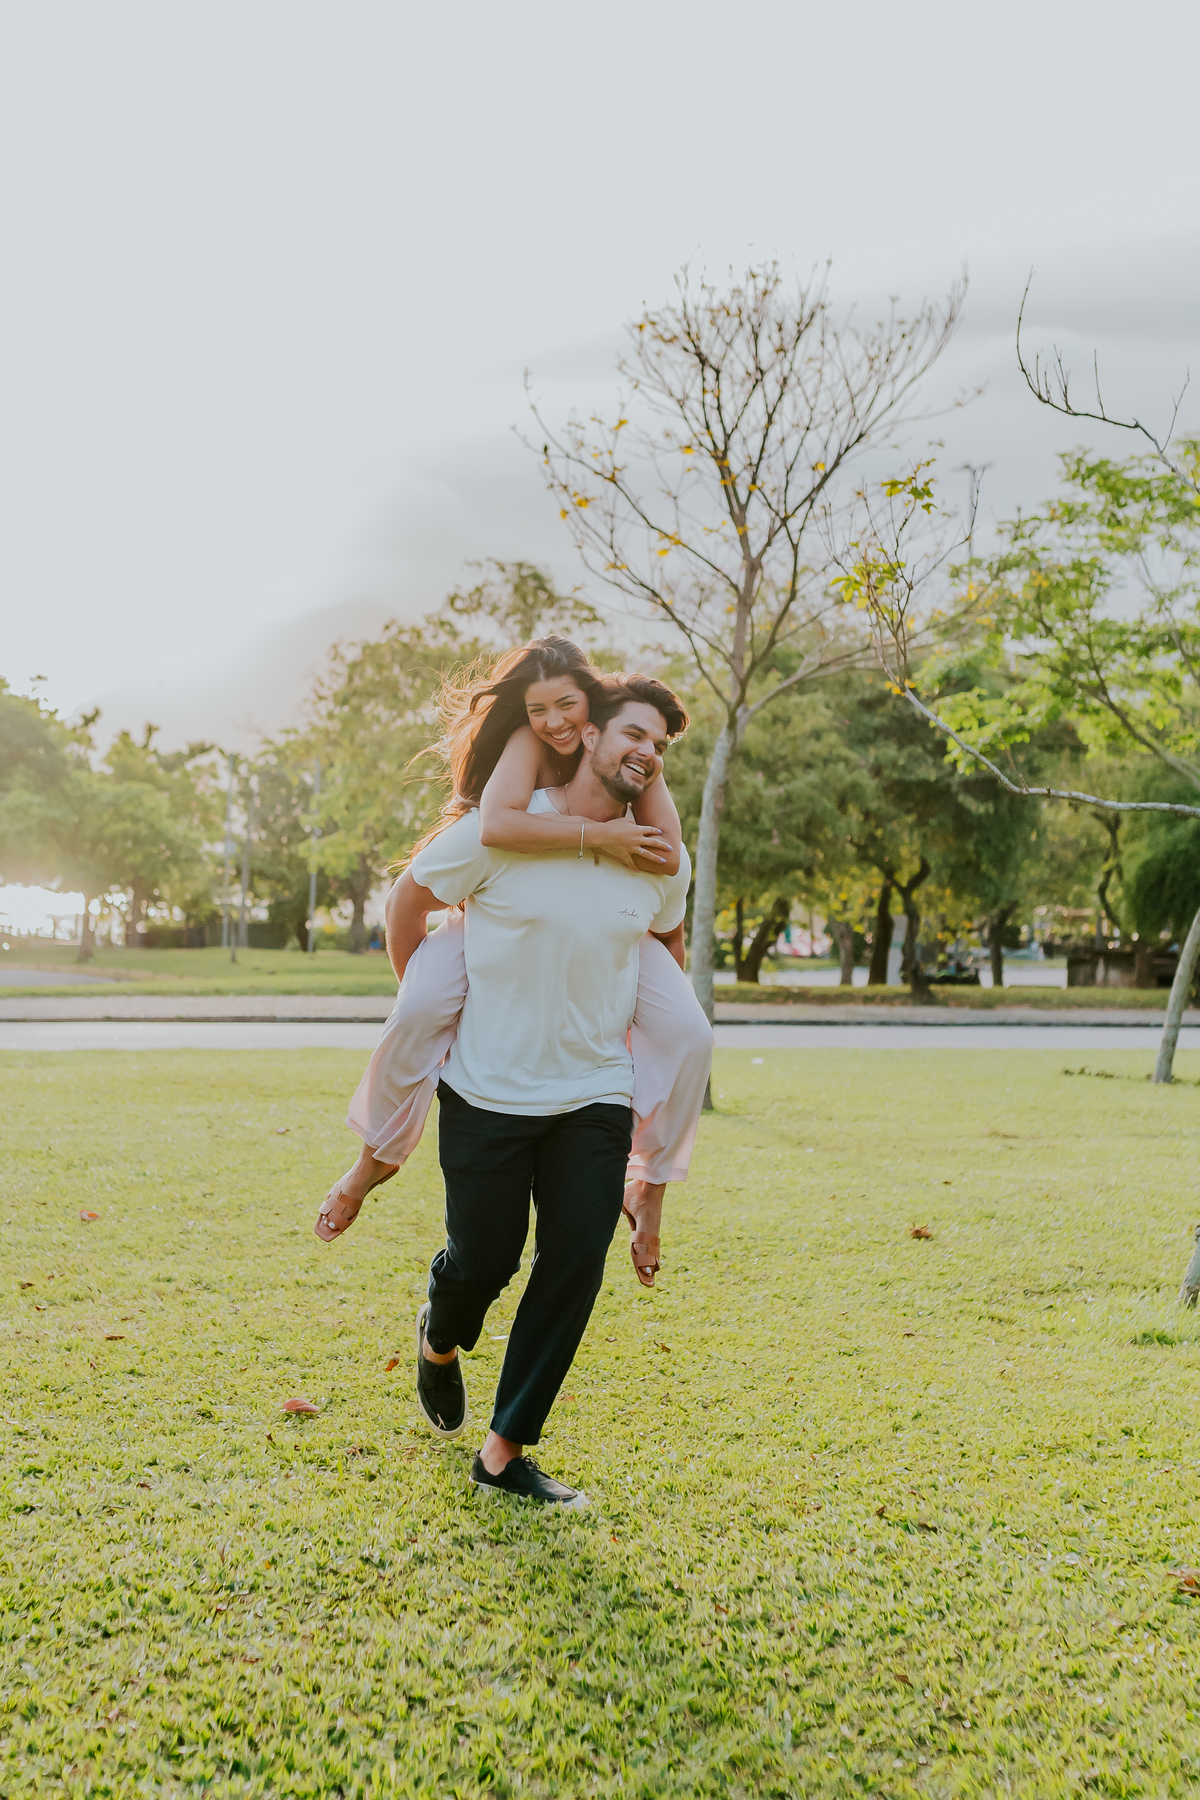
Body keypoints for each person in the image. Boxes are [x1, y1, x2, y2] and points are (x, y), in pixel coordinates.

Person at [315, 637, 712, 1285]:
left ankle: (649, 1188)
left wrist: (656, 956)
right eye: (539, 708)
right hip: (486, 919)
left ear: (590, 707)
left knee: (694, 1034)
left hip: (610, 937)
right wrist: (599, 836)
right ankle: (372, 1161)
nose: (553, 720)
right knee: (417, 1008)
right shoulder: (529, 746)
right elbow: (497, 828)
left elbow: (666, 858)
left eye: (566, 705)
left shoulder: (634, 758)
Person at [390, 674, 697, 1504]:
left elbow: (664, 940)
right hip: (487, 1090)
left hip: (594, 1093)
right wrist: (427, 1000)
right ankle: (440, 1335)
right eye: (632, 733)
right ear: (586, 734)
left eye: (661, 748)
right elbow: (408, 898)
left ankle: (503, 1453)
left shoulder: (659, 855)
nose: (647, 753)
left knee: (573, 1262)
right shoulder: (505, 832)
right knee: (482, 1261)